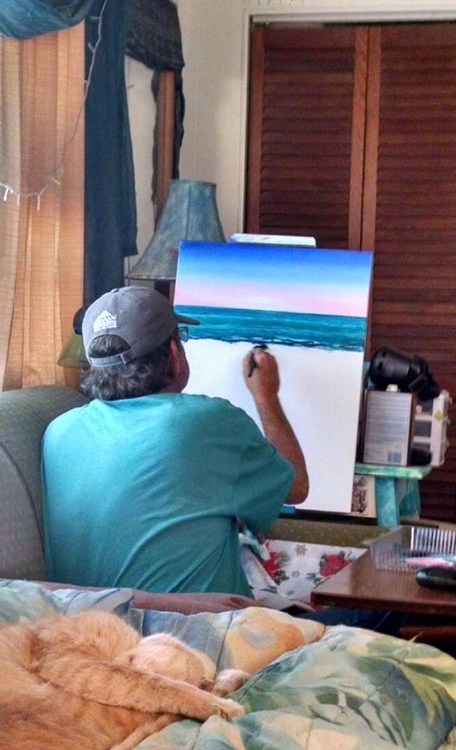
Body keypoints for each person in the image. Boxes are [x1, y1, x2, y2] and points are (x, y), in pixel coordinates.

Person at [42, 285, 309, 597]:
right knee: (360, 616)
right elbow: (297, 487)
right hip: (199, 625)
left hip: (93, 625)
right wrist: (266, 395)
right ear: (173, 353)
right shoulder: (208, 420)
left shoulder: (58, 432)